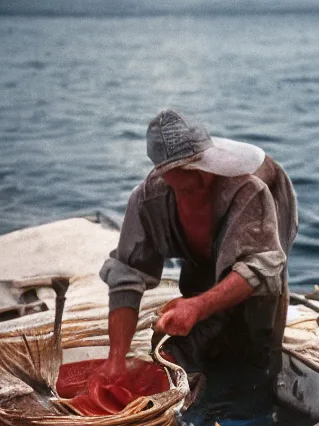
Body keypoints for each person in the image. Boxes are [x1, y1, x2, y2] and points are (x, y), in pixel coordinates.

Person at [97, 108, 298, 397]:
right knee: (191, 343)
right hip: (200, 260)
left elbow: (261, 266)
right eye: (190, 169)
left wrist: (198, 306)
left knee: (256, 354)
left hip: (260, 259)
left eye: (204, 163)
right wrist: (116, 358)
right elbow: (126, 277)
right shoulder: (147, 201)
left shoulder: (247, 191)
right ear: (164, 173)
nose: (205, 177)